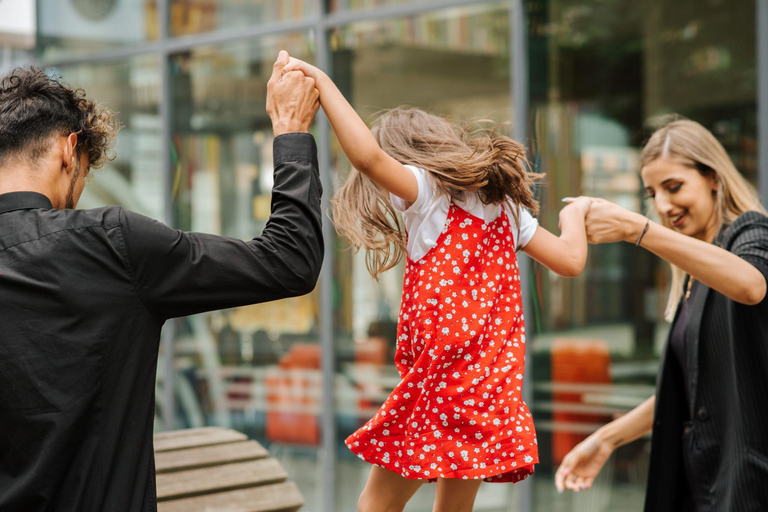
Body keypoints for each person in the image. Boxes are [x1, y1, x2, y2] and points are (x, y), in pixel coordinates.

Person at [0, 52, 322, 512]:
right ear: (68, 151)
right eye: (86, 174)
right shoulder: (111, 244)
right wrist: (291, 131)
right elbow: (288, 260)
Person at [281, 56, 592, 512]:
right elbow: (571, 260)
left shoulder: (429, 195)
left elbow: (366, 157)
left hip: (439, 386)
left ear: (408, 157)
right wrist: (575, 214)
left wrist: (322, 82)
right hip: (487, 392)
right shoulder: (507, 211)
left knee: (375, 505)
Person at [554, 119, 768, 512]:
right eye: (653, 194)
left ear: (714, 178)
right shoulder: (695, 273)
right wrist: (607, 438)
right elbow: (691, 386)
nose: (665, 205)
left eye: (674, 187)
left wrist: (637, 228)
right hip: (702, 479)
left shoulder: (751, 234)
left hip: (747, 482)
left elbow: (752, 285)